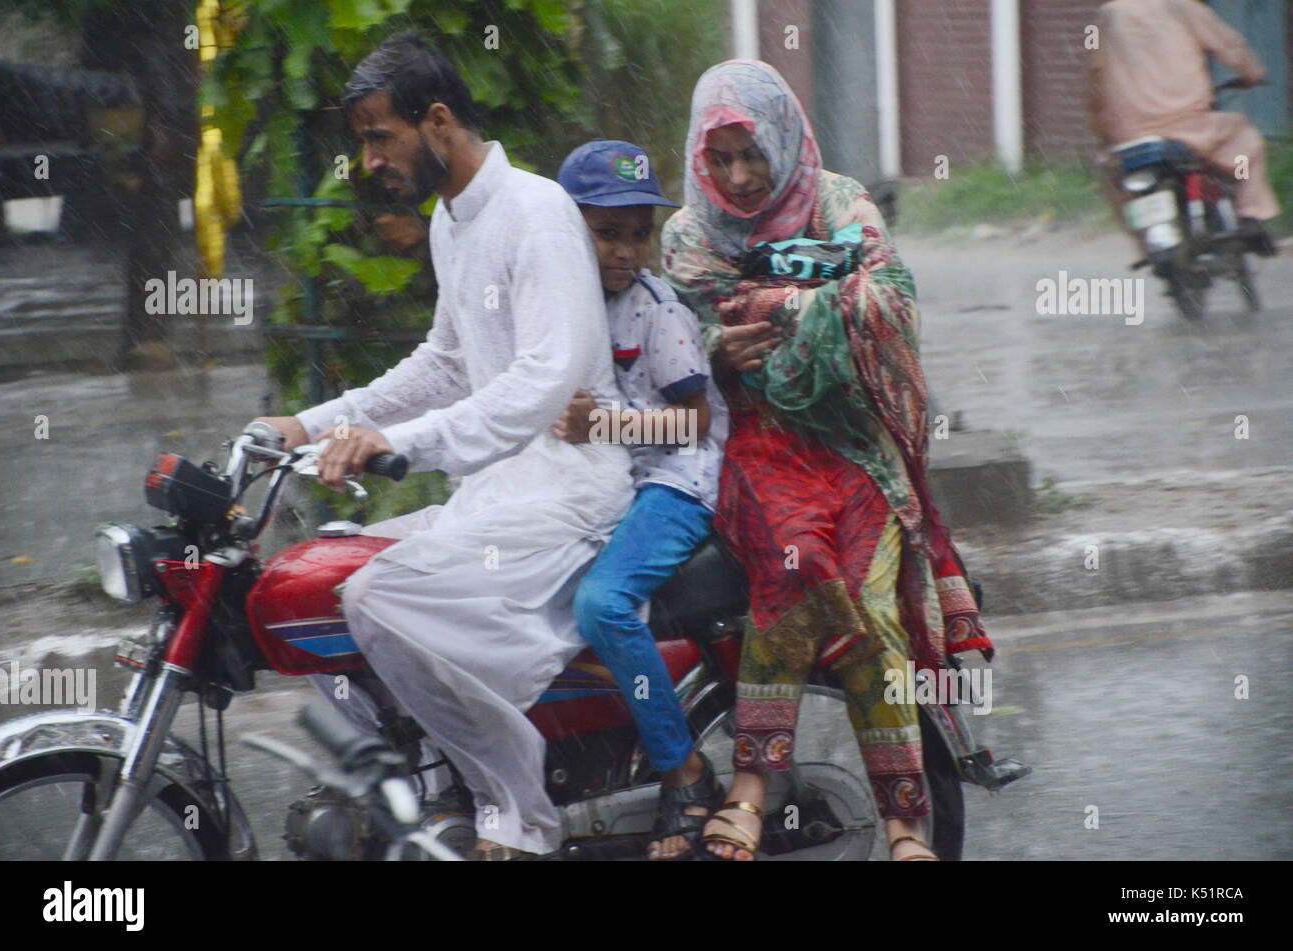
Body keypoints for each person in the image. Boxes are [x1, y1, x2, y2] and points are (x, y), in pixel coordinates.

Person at [254, 32, 634, 860]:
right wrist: (313, 422)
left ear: (437, 121)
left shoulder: (535, 212)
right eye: (362, 140)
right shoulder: (453, 222)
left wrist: (404, 442)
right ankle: (429, 782)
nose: (368, 159)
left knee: (379, 601)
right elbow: (447, 363)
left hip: (570, 491)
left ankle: (517, 813)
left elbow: (543, 380)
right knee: (308, 585)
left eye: (378, 135)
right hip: (500, 490)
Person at [661, 60, 994, 861]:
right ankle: (753, 779)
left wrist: (771, 309)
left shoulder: (838, 198)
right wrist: (726, 341)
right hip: (761, 445)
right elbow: (689, 333)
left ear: (783, 136)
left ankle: (907, 825)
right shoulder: (687, 233)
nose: (739, 177)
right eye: (722, 158)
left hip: (850, 442)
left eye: (753, 155)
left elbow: (892, 301)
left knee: (872, 597)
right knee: (799, 561)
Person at [552, 140, 730, 860]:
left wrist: (607, 424)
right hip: (616, 482)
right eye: (606, 232)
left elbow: (697, 422)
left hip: (677, 481)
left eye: (638, 233)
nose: (626, 251)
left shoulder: (658, 312)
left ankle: (683, 770)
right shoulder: (565, 304)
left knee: (602, 604)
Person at [1089, 0, 1280, 238]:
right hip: (1187, 126)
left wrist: (1101, 128)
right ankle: (1250, 211)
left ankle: (1143, 246)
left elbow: (1094, 71)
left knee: (1115, 179)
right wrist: (1253, 72)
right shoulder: (1183, 7)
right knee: (1245, 146)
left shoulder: (1104, 18)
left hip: (1130, 134)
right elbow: (1229, 45)